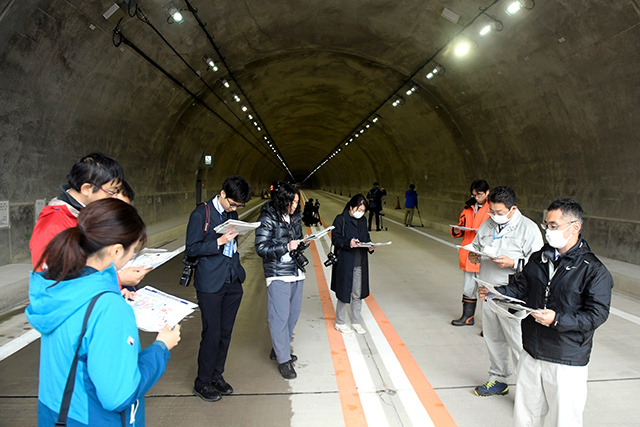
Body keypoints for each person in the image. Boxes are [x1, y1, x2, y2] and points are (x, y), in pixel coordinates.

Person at [26, 198, 181, 426]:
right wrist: (161, 348)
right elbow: (118, 396)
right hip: (93, 419)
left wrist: (113, 293)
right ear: (116, 250)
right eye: (133, 250)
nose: (133, 256)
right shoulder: (108, 308)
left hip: (55, 413)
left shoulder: (59, 285)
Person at [479, 198, 613, 426]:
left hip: (566, 357)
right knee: (526, 415)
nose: (548, 231)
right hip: (532, 350)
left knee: (563, 419)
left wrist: (557, 319)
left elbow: (596, 314)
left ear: (575, 227)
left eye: (553, 226)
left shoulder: (593, 270)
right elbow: (522, 287)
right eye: (546, 225)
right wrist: (497, 292)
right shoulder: (538, 258)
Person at [29, 153, 149, 288]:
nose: (114, 199)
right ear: (86, 189)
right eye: (111, 192)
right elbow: (56, 286)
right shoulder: (52, 225)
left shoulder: (87, 213)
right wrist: (118, 280)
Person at [468, 186, 543, 397]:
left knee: (518, 341)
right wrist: (475, 256)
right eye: (492, 211)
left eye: (500, 213)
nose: (495, 216)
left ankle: (529, 391)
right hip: (489, 290)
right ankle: (498, 378)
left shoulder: (528, 228)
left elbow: (538, 265)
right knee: (493, 337)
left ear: (513, 209)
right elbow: (477, 245)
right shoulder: (486, 224)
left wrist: (514, 262)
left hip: (513, 294)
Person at [185, 175, 252, 402]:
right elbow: (192, 249)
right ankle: (202, 382)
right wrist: (219, 242)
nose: (234, 208)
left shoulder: (232, 213)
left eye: (238, 206)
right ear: (222, 194)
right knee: (211, 334)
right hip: (210, 283)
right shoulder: (201, 214)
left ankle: (216, 376)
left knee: (225, 333)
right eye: (232, 204)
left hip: (232, 279)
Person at [255, 183, 305, 379]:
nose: (295, 206)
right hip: (278, 274)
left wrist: (302, 244)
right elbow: (261, 248)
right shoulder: (268, 217)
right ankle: (283, 360)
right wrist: (286, 247)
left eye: (297, 202)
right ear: (283, 200)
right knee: (280, 316)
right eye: (292, 202)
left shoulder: (294, 217)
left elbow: (296, 241)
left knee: (293, 314)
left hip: (296, 272)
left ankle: (279, 349)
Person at [331, 194, 375, 335]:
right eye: (359, 209)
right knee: (344, 292)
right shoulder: (341, 219)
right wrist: (348, 243)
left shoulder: (362, 221)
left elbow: (366, 237)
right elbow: (336, 239)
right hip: (345, 261)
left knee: (358, 293)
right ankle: (340, 322)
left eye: (363, 210)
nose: (360, 213)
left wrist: (370, 245)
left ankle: (356, 321)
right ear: (351, 207)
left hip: (359, 261)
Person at [450, 180, 491, 326]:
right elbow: (462, 226)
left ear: (487, 192)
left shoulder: (493, 208)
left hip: (486, 256)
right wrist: (457, 229)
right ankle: (467, 317)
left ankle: (489, 326)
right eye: (473, 194)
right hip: (469, 253)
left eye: (479, 194)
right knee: (468, 287)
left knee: (487, 290)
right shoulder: (468, 208)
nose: (476, 197)